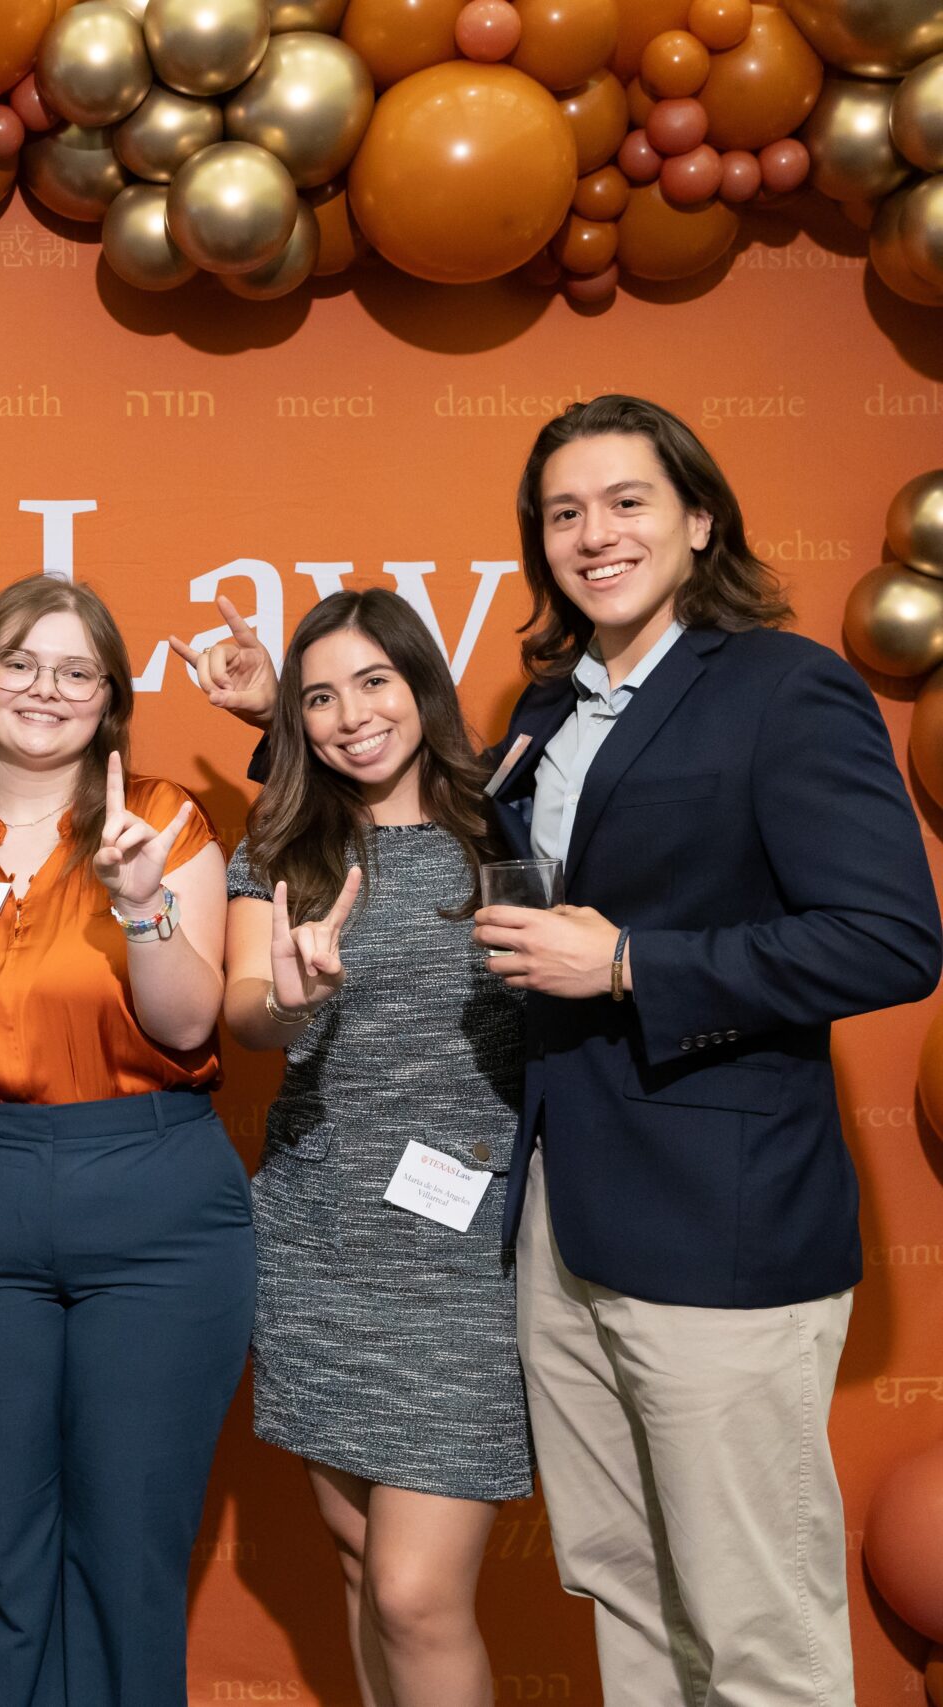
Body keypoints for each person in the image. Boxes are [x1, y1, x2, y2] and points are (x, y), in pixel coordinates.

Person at [184, 394, 942, 1704]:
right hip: (553, 1227)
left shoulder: (782, 685)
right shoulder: (549, 709)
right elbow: (414, 825)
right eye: (564, 512)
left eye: (627, 500)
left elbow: (890, 937)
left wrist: (636, 960)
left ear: (701, 517)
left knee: (752, 1610)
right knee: (627, 1581)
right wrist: (284, 727)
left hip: (718, 1223)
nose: (595, 533)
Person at [0, 574, 252, 1707]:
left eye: (76, 670)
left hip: (155, 1197)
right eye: (20, 663)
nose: (45, 689)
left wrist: (141, 903)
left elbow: (185, 1023)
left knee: (129, 1551)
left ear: (109, 699)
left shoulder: (165, 823)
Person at [191, 588, 527, 1706]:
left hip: (466, 1259)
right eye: (320, 697)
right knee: (355, 1563)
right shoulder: (287, 842)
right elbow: (243, 1008)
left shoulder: (510, 828)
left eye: (373, 683)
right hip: (319, 1238)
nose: (350, 716)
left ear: (419, 686)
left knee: (413, 1593)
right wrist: (287, 1002)